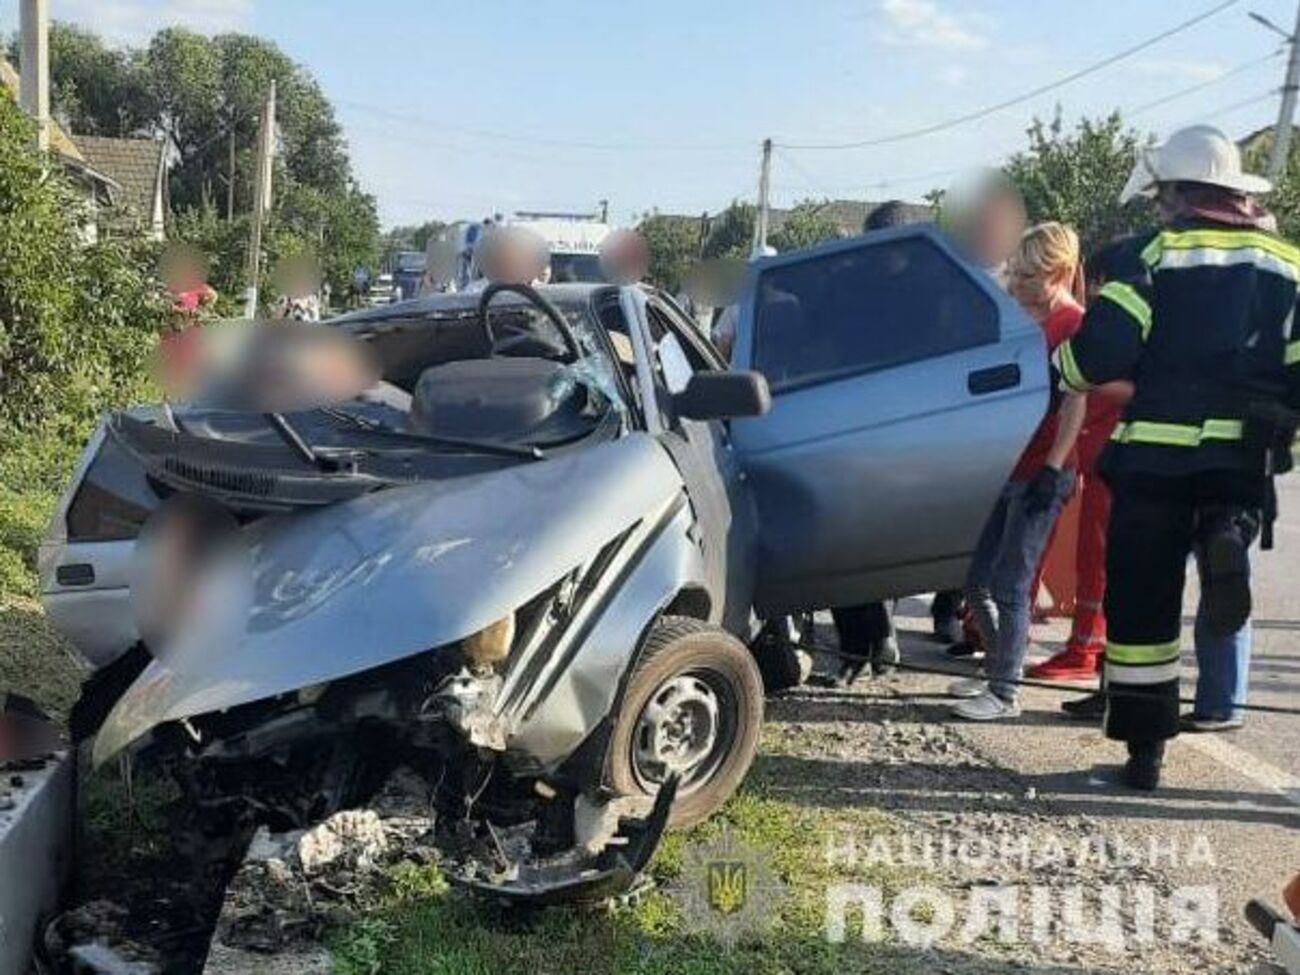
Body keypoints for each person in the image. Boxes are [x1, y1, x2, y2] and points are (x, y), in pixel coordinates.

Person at [1051, 125, 1298, 789]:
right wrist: (1282, 438)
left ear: (1176, 193)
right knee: (1228, 514)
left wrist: (1063, 364)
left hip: (1155, 459)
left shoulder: (1150, 253)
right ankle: (1227, 528)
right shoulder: (1288, 263)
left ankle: (1144, 753)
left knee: (1142, 604)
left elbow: (1100, 352)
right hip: (1241, 456)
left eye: (1159, 194)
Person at [948, 222, 1084, 720]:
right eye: (1017, 271)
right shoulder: (1026, 315)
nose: (1020, 281)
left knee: (1012, 583)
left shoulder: (1072, 325)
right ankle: (995, 672)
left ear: (1062, 272)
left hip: (1040, 472)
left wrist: (1052, 469)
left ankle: (1006, 694)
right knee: (974, 581)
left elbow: (1075, 404)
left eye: (1032, 274)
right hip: (1005, 466)